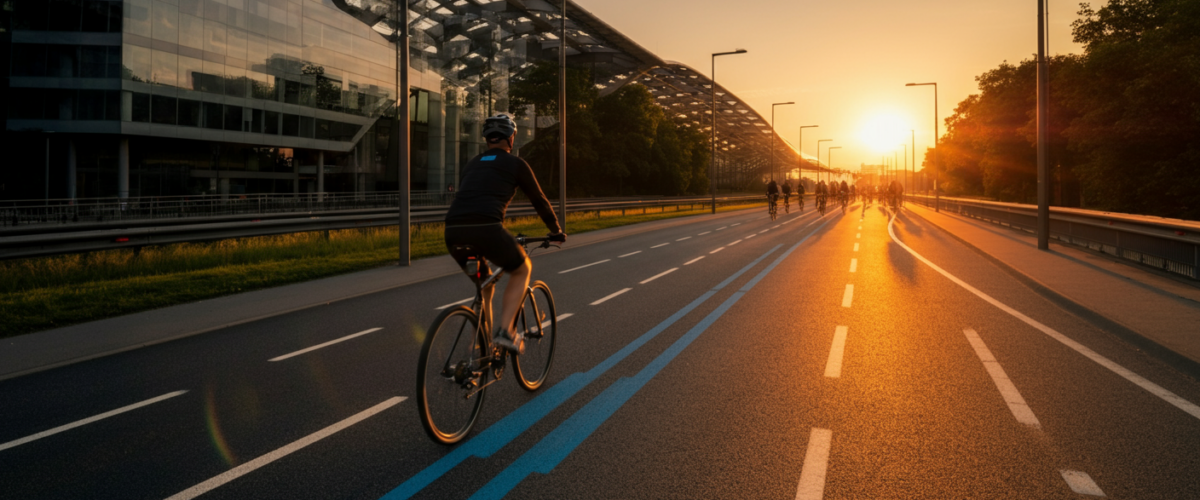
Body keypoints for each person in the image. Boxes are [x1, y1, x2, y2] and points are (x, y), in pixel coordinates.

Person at [444, 113, 566, 354]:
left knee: (484, 284)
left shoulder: (472, 163)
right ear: (511, 138)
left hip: (454, 235)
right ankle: (506, 332)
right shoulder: (516, 164)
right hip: (486, 231)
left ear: (487, 139)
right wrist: (556, 231)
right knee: (523, 269)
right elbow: (539, 201)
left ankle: (481, 348)